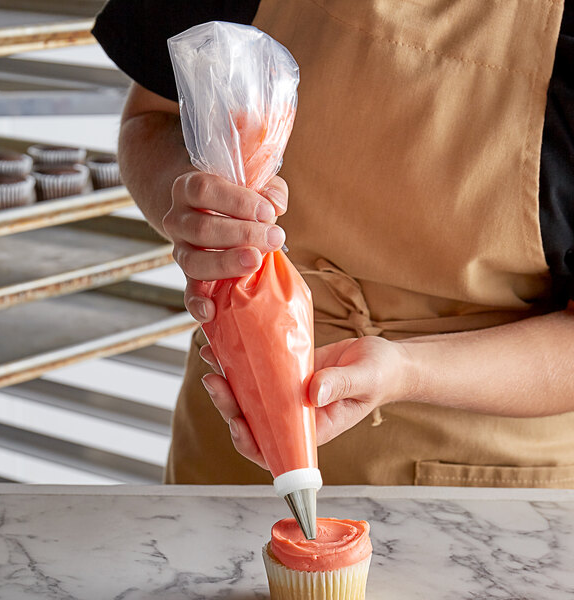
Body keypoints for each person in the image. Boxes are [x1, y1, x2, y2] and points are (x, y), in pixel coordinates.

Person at [93, 0, 574, 487]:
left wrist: (408, 371)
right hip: (234, 438)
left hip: (477, 477)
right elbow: (151, 116)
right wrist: (204, 207)